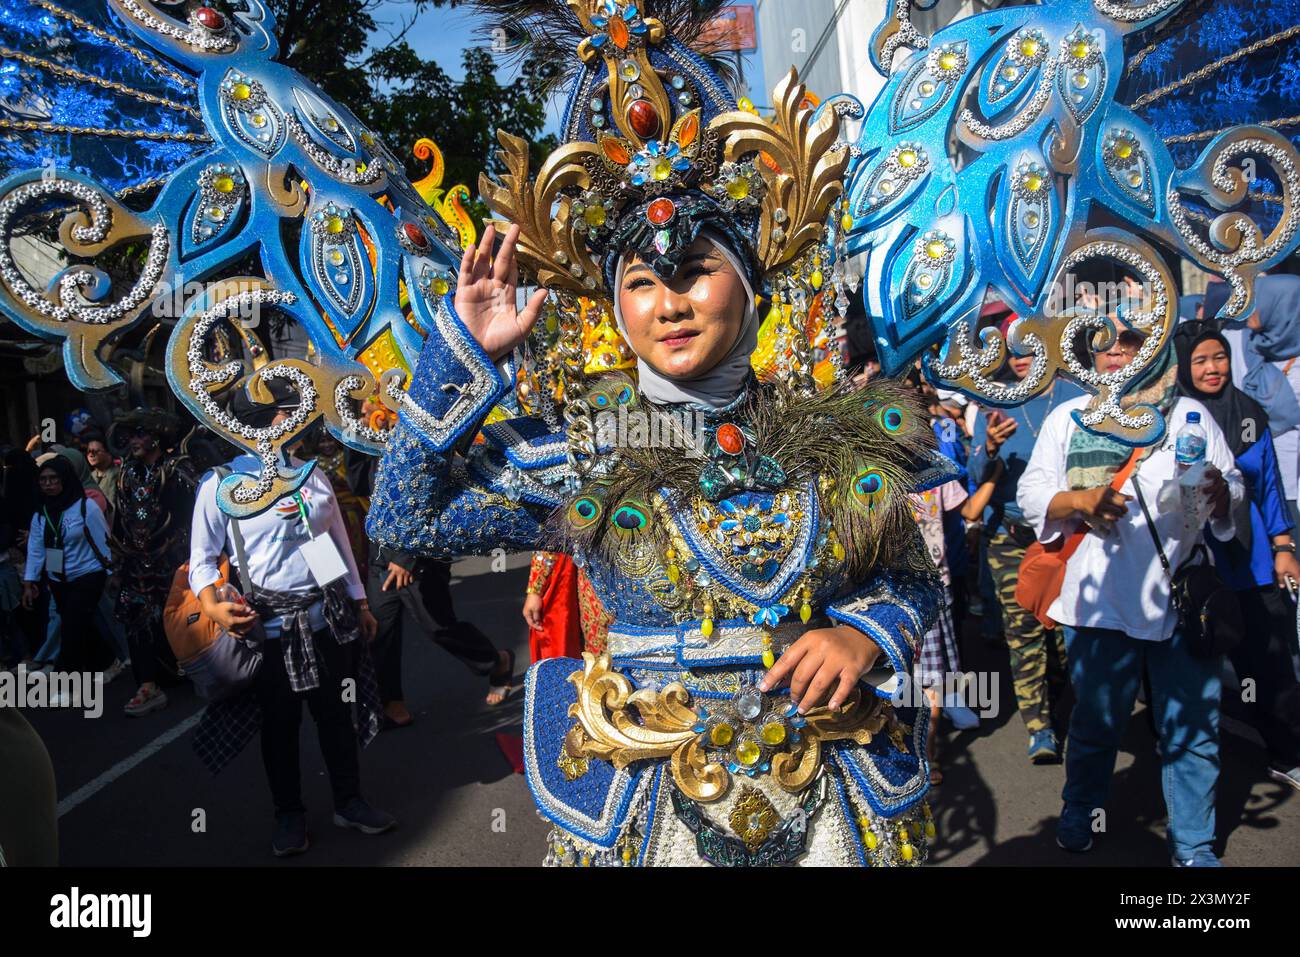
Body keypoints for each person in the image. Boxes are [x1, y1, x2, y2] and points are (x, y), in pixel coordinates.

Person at [365, 3, 953, 866]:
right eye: (640, 281)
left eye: (698, 270)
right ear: (616, 308)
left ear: (750, 287)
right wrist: (460, 357)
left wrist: (862, 635)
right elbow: (407, 519)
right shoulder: (580, 448)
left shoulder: (831, 441)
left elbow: (911, 577)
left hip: (825, 794)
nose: (670, 301)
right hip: (653, 807)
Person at [1019, 343, 1244, 867]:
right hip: (1099, 602)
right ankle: (1081, 810)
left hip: (1181, 599)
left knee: (1193, 726)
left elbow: (1233, 482)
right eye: (1106, 346)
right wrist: (1080, 501)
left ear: (1155, 349)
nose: (1118, 354)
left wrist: (1220, 490)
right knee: (1097, 721)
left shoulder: (1189, 414)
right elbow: (1032, 492)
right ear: (1088, 357)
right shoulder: (1069, 416)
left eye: (1132, 343)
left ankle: (1193, 843)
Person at [189, 381, 394, 857]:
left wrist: (358, 602)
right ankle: (289, 815)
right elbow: (201, 559)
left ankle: (350, 801)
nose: (293, 422)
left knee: (335, 717)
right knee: (279, 727)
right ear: (257, 423)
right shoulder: (221, 484)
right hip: (269, 629)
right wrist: (215, 607)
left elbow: (330, 542)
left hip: (328, 621)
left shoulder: (310, 474)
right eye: (285, 414)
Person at [1173, 323, 1300, 791]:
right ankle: (1188, 766)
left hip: (1251, 562)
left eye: (1219, 358)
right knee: (1189, 662)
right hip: (1193, 568)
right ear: (1183, 367)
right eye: (1200, 360)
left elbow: (1270, 488)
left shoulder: (1249, 414)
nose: (1212, 369)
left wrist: (1284, 547)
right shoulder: (1168, 419)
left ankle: (1287, 752)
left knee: (1269, 661)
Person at [969, 341, 1085, 764]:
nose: (1020, 357)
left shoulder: (1076, 397)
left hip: (1068, 538)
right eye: (1013, 350)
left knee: (1064, 634)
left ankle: (1065, 706)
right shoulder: (995, 403)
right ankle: (1040, 727)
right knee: (1023, 634)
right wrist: (991, 450)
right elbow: (975, 476)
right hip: (1011, 537)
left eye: (1031, 347)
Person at [109, 409, 200, 717]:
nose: (133, 441)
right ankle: (147, 685)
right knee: (136, 619)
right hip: (134, 562)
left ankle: (189, 669)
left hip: (172, 561)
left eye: (139, 434)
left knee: (177, 618)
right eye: (130, 435)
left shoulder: (178, 470)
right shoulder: (127, 473)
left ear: (156, 438)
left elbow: (195, 518)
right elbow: (121, 518)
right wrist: (119, 558)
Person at [19, 455, 116, 679]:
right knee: (80, 622)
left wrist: (112, 574)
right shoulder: (41, 514)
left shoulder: (86, 507)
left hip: (88, 574)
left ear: (65, 479)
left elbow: (104, 542)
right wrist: (29, 582)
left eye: (54, 478)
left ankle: (65, 680)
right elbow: (36, 549)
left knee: (71, 627)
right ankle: (107, 660)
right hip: (58, 578)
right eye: (43, 479)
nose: (48, 484)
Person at [83, 432, 119, 513]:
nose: (91, 455)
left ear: (108, 453)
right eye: (88, 451)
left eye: (95, 451)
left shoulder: (118, 474)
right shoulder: (90, 476)